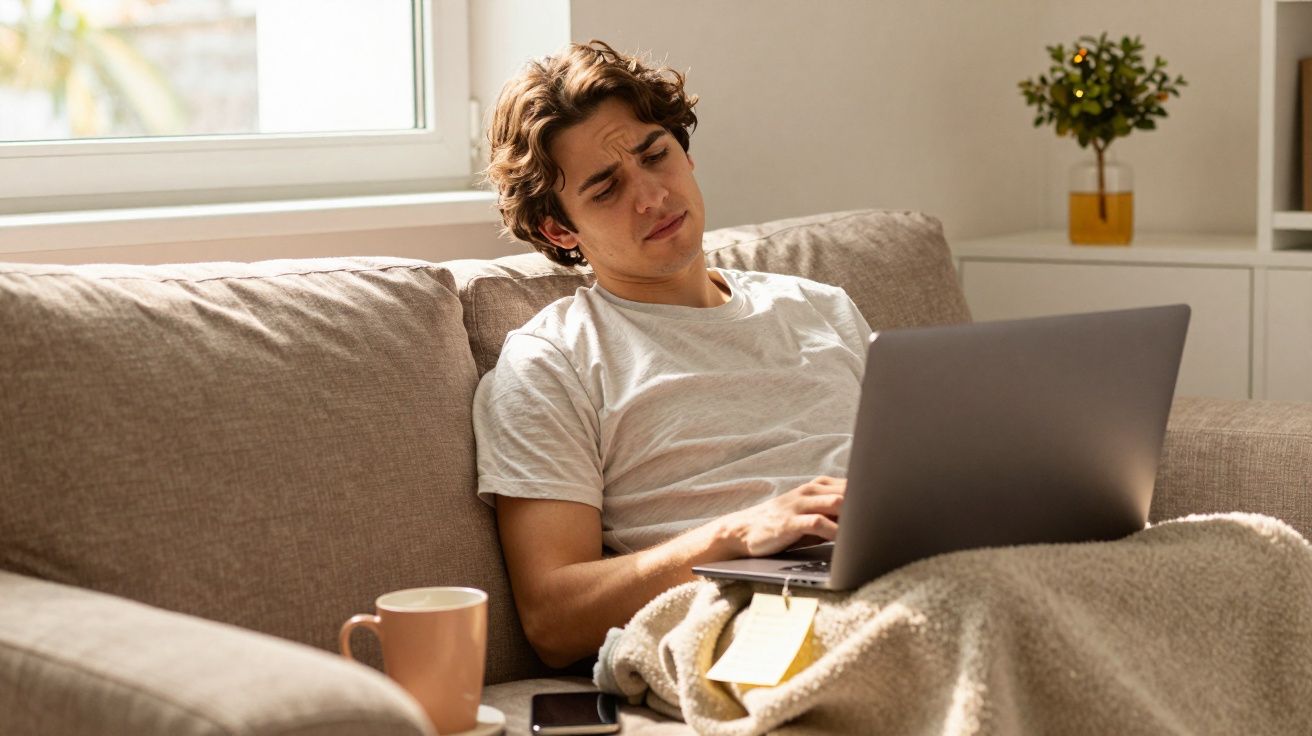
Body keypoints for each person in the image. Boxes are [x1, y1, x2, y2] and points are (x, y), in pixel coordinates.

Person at [476, 40, 871, 669]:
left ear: (683, 153)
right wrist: (737, 536)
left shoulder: (822, 308)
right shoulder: (553, 360)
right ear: (560, 229)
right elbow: (552, 617)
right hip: (740, 616)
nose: (653, 197)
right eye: (605, 189)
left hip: (886, 569)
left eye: (655, 156)